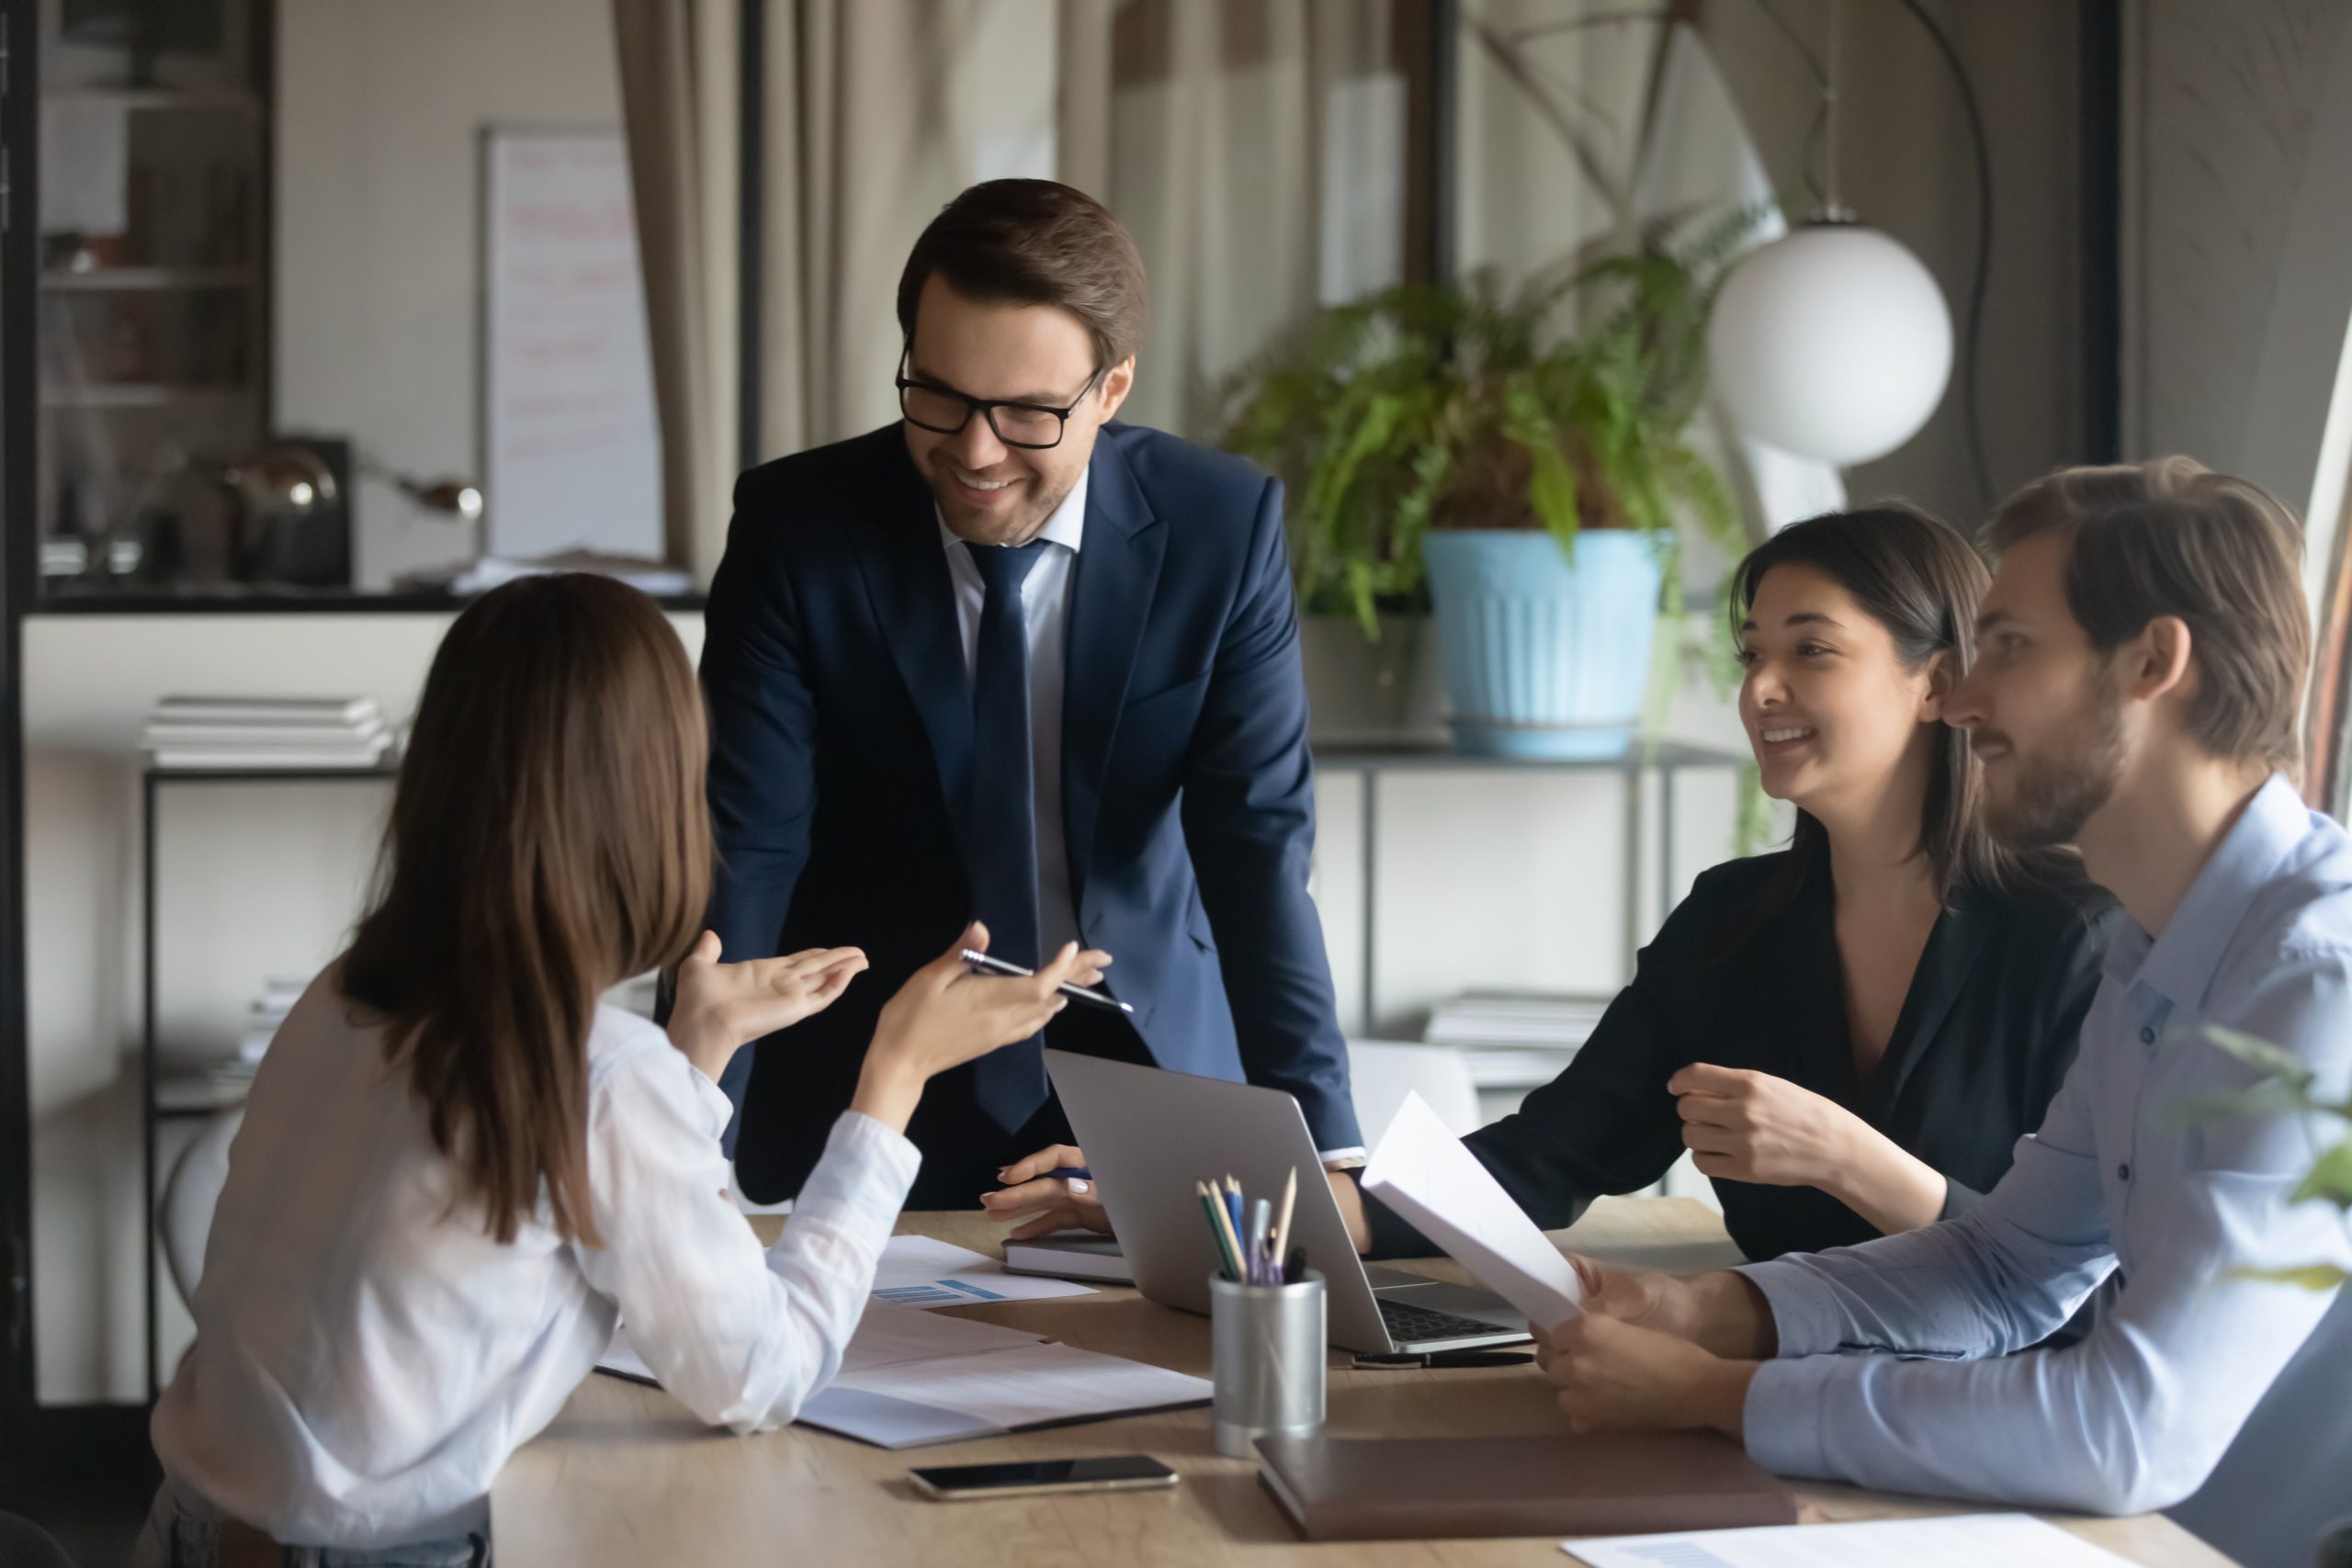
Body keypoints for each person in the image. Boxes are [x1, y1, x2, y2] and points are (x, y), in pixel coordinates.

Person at [138, 575, 1105, 1564]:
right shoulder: (596, 1069)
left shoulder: (345, 993)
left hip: (191, 1532)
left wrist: (697, 1050)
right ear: (648, 803)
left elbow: (555, 1202)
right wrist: (894, 1076)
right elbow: (760, 1377)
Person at [1536, 458, 2352, 1568]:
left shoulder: (2313, 982)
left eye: (2008, 647)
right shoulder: (2153, 946)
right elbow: (2004, 1264)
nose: (1960, 700)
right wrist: (1709, 1315)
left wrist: (1721, 1395)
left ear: (2154, 663)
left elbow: (2128, 1431)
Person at [992, 506, 2111, 1279]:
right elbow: (1541, 1163)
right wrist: (1203, 1199)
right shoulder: (1733, 925)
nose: (1760, 688)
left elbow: (2090, 1286)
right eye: (1750, 651)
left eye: (1812, 651)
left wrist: (1849, 1159)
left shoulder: (2075, 944)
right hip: (1774, 1400)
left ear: (1936, 682)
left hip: (1988, 1431)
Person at [701, 178, 1360, 1210]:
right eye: (939, 394)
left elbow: (1257, 849)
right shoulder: (801, 527)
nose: (973, 451)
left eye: (1026, 413)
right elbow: (749, 844)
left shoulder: (1219, 531)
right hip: (867, 1075)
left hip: (1150, 1075)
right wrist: (683, 1135)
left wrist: (1327, 1168)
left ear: (1111, 389)